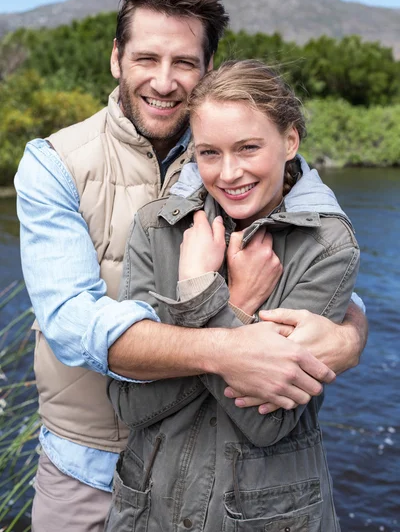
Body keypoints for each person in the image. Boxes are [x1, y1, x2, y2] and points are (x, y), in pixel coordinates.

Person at [14, 0, 367, 532]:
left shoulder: (230, 153)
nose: (162, 80)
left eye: (183, 62)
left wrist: (350, 332)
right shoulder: (54, 163)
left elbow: (322, 256)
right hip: (85, 466)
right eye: (146, 57)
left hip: (221, 474)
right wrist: (229, 328)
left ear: (207, 73)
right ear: (116, 59)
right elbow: (71, 323)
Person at [105, 60, 360, 531]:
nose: (228, 173)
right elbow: (128, 404)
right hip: (151, 507)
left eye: (248, 148)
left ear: (289, 141)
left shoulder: (328, 247)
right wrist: (237, 308)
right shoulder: (156, 227)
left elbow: (268, 425)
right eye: (209, 153)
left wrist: (198, 301)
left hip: (266, 515)